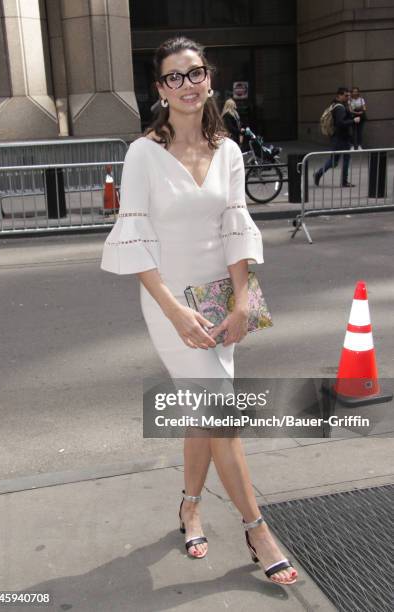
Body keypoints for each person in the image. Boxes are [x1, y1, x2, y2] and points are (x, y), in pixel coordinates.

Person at [101, 36, 298, 586]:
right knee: (221, 415)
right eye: (173, 77)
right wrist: (174, 313)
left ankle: (190, 506)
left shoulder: (229, 151)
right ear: (159, 90)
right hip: (170, 303)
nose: (186, 85)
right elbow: (135, 240)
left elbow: (235, 230)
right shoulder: (143, 153)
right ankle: (257, 528)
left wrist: (244, 303)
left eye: (195, 74)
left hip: (220, 300)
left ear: (209, 79)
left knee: (202, 414)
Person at [314, 87, 361, 188]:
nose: (348, 97)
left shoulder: (336, 105)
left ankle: (341, 180)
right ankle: (320, 174)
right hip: (340, 138)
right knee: (337, 161)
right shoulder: (339, 107)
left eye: (349, 95)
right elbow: (340, 123)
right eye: (346, 95)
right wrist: (353, 121)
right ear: (339, 95)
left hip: (340, 137)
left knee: (339, 160)